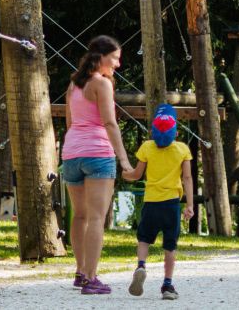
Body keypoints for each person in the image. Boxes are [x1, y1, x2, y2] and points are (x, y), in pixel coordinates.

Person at [61, 35, 134, 295]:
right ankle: (91, 279)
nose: (117, 64)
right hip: (97, 154)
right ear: (101, 57)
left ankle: (81, 272)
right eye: (114, 58)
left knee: (79, 216)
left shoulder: (74, 84)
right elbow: (110, 123)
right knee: (95, 218)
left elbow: (70, 123)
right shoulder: (101, 84)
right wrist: (124, 159)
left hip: (71, 153)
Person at [121, 104, 193, 300]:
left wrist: (124, 174)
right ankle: (167, 286)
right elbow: (187, 178)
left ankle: (141, 266)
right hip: (171, 204)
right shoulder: (183, 150)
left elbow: (136, 175)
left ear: (152, 131)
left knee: (144, 238)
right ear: (176, 132)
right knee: (170, 246)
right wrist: (190, 205)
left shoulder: (147, 147)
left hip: (151, 202)